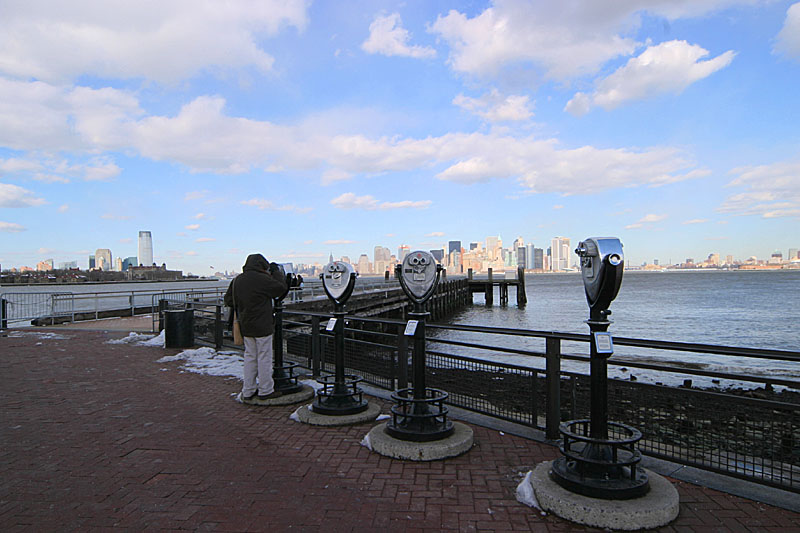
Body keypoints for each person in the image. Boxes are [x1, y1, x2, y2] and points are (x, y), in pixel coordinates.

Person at [224, 254, 288, 403]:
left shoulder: (237, 280)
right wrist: (276, 272)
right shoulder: (262, 279)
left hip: (245, 324)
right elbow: (280, 288)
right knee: (264, 357)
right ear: (262, 265)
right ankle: (266, 390)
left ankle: (248, 390)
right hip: (262, 324)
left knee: (250, 357)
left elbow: (228, 300)